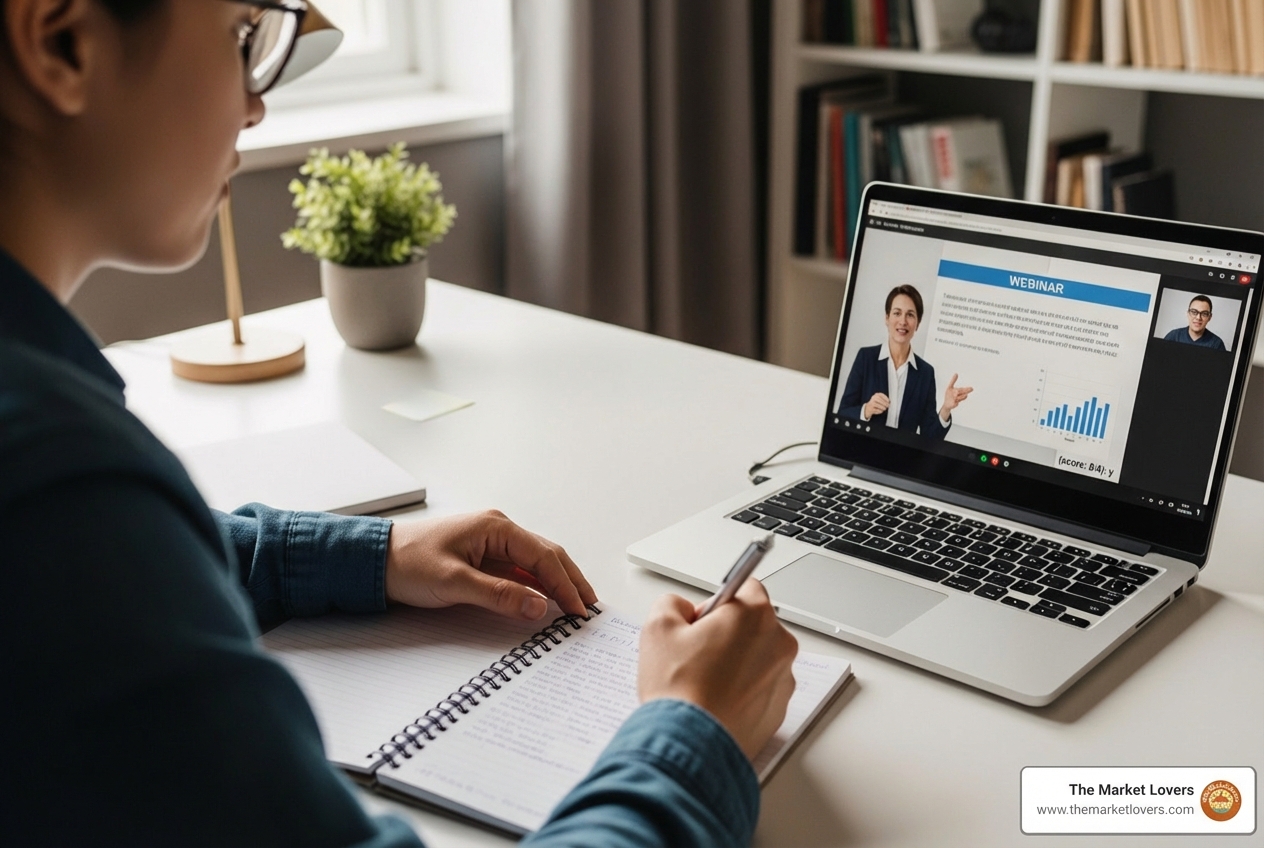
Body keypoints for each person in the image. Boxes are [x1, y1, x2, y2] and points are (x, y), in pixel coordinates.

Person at [0, 1, 798, 845]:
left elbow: (131, 566)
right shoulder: (54, 483)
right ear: (62, 40)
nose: (256, 103)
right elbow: (84, 551)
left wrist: (373, 553)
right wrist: (692, 729)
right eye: (242, 34)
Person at [837, 284, 972, 440]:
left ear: (918, 324)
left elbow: (930, 436)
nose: (903, 321)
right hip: (863, 448)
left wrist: (946, 409)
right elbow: (843, 413)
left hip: (902, 458)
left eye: (910, 315)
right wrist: (866, 410)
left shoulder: (925, 373)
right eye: (897, 313)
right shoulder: (866, 358)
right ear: (887, 318)